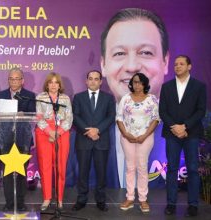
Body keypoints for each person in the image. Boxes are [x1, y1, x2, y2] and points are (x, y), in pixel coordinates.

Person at [100, 8, 170, 188]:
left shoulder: (193, 131)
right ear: (103, 65)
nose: (132, 67)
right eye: (119, 53)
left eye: (146, 52)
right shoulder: (79, 139)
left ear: (166, 62)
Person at [159, 55, 206, 217]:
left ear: (189, 66)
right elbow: (162, 111)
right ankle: (171, 203)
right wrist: (175, 127)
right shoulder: (166, 87)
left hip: (191, 133)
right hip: (172, 133)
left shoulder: (199, 86)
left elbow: (200, 110)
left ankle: (193, 204)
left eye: (181, 64)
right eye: (176, 64)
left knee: (192, 169)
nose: (177, 66)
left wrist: (185, 126)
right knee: (171, 168)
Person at [72, 70, 115, 212]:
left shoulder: (108, 98)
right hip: (84, 140)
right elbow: (75, 116)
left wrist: (97, 130)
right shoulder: (78, 97)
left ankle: (101, 200)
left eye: (96, 79)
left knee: (101, 172)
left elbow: (111, 116)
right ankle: (81, 199)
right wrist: (89, 131)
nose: (93, 81)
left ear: (101, 81)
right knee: (82, 172)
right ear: (86, 81)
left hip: (101, 140)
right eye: (90, 79)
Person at [0, 68, 36, 212]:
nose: (14, 81)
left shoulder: (30, 95)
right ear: (8, 80)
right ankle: (9, 202)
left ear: (22, 80)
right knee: (7, 173)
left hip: (23, 139)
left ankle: (21, 202)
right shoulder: (1, 95)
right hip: (6, 140)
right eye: (11, 78)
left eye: (17, 78)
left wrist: (22, 114)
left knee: (21, 172)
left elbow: (33, 115)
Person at [116, 73, 159, 213]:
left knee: (142, 167)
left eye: (140, 82)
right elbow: (119, 117)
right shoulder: (125, 99)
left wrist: (145, 135)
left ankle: (142, 199)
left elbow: (155, 119)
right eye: (135, 82)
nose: (137, 85)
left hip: (145, 138)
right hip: (127, 137)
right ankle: (129, 198)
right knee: (130, 167)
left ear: (145, 84)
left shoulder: (152, 99)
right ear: (131, 84)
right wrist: (126, 134)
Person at [35, 72, 73, 211]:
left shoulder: (65, 98)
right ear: (47, 84)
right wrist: (49, 132)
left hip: (61, 133)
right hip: (44, 133)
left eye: (56, 82)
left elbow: (69, 118)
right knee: (45, 166)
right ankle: (46, 198)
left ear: (59, 85)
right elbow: (38, 117)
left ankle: (59, 198)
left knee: (60, 166)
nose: (53, 85)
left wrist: (58, 132)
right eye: (51, 82)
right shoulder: (40, 97)